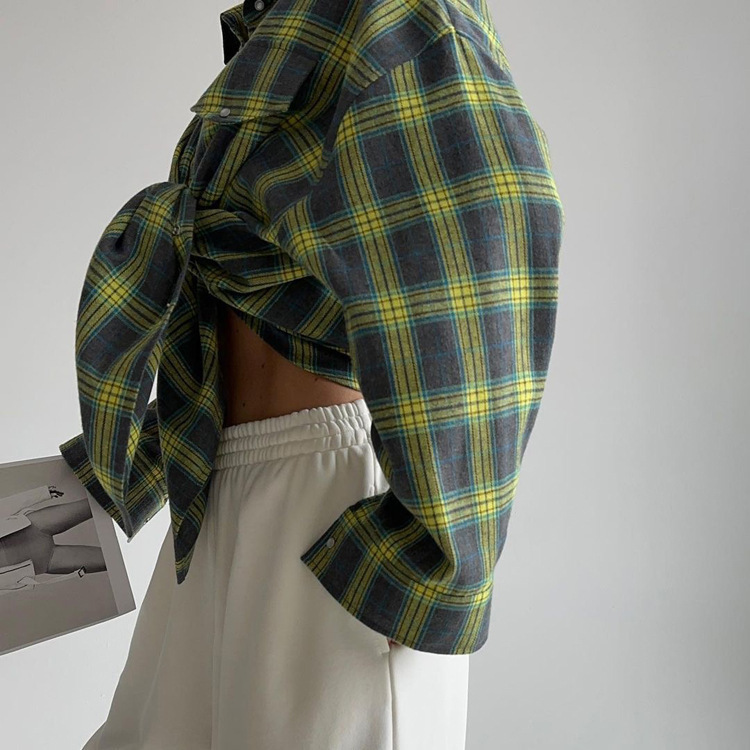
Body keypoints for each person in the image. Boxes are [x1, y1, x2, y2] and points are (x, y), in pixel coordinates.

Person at [59, 0, 564, 747]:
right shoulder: (284, 28)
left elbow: (488, 252)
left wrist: (437, 564)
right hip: (216, 489)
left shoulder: (404, 18)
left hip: (336, 505)